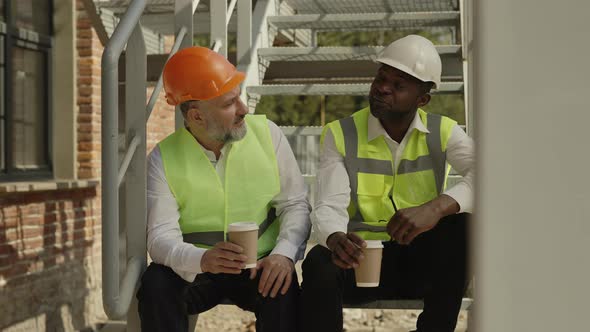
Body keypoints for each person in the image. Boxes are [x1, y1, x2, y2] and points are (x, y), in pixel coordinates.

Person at [301, 35, 474, 332]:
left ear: (422, 99)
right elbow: (329, 204)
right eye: (381, 77)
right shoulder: (340, 133)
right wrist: (335, 238)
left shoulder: (443, 131)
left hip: (419, 265)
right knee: (318, 261)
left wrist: (436, 208)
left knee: (463, 228)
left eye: (398, 85)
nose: (382, 88)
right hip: (358, 262)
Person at [136, 46, 311, 332]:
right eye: (229, 104)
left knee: (283, 285)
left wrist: (284, 253)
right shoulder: (162, 158)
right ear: (196, 118)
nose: (243, 109)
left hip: (260, 265)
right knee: (156, 283)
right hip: (197, 269)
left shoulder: (269, 135)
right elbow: (159, 238)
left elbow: (295, 204)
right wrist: (202, 259)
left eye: (238, 97)